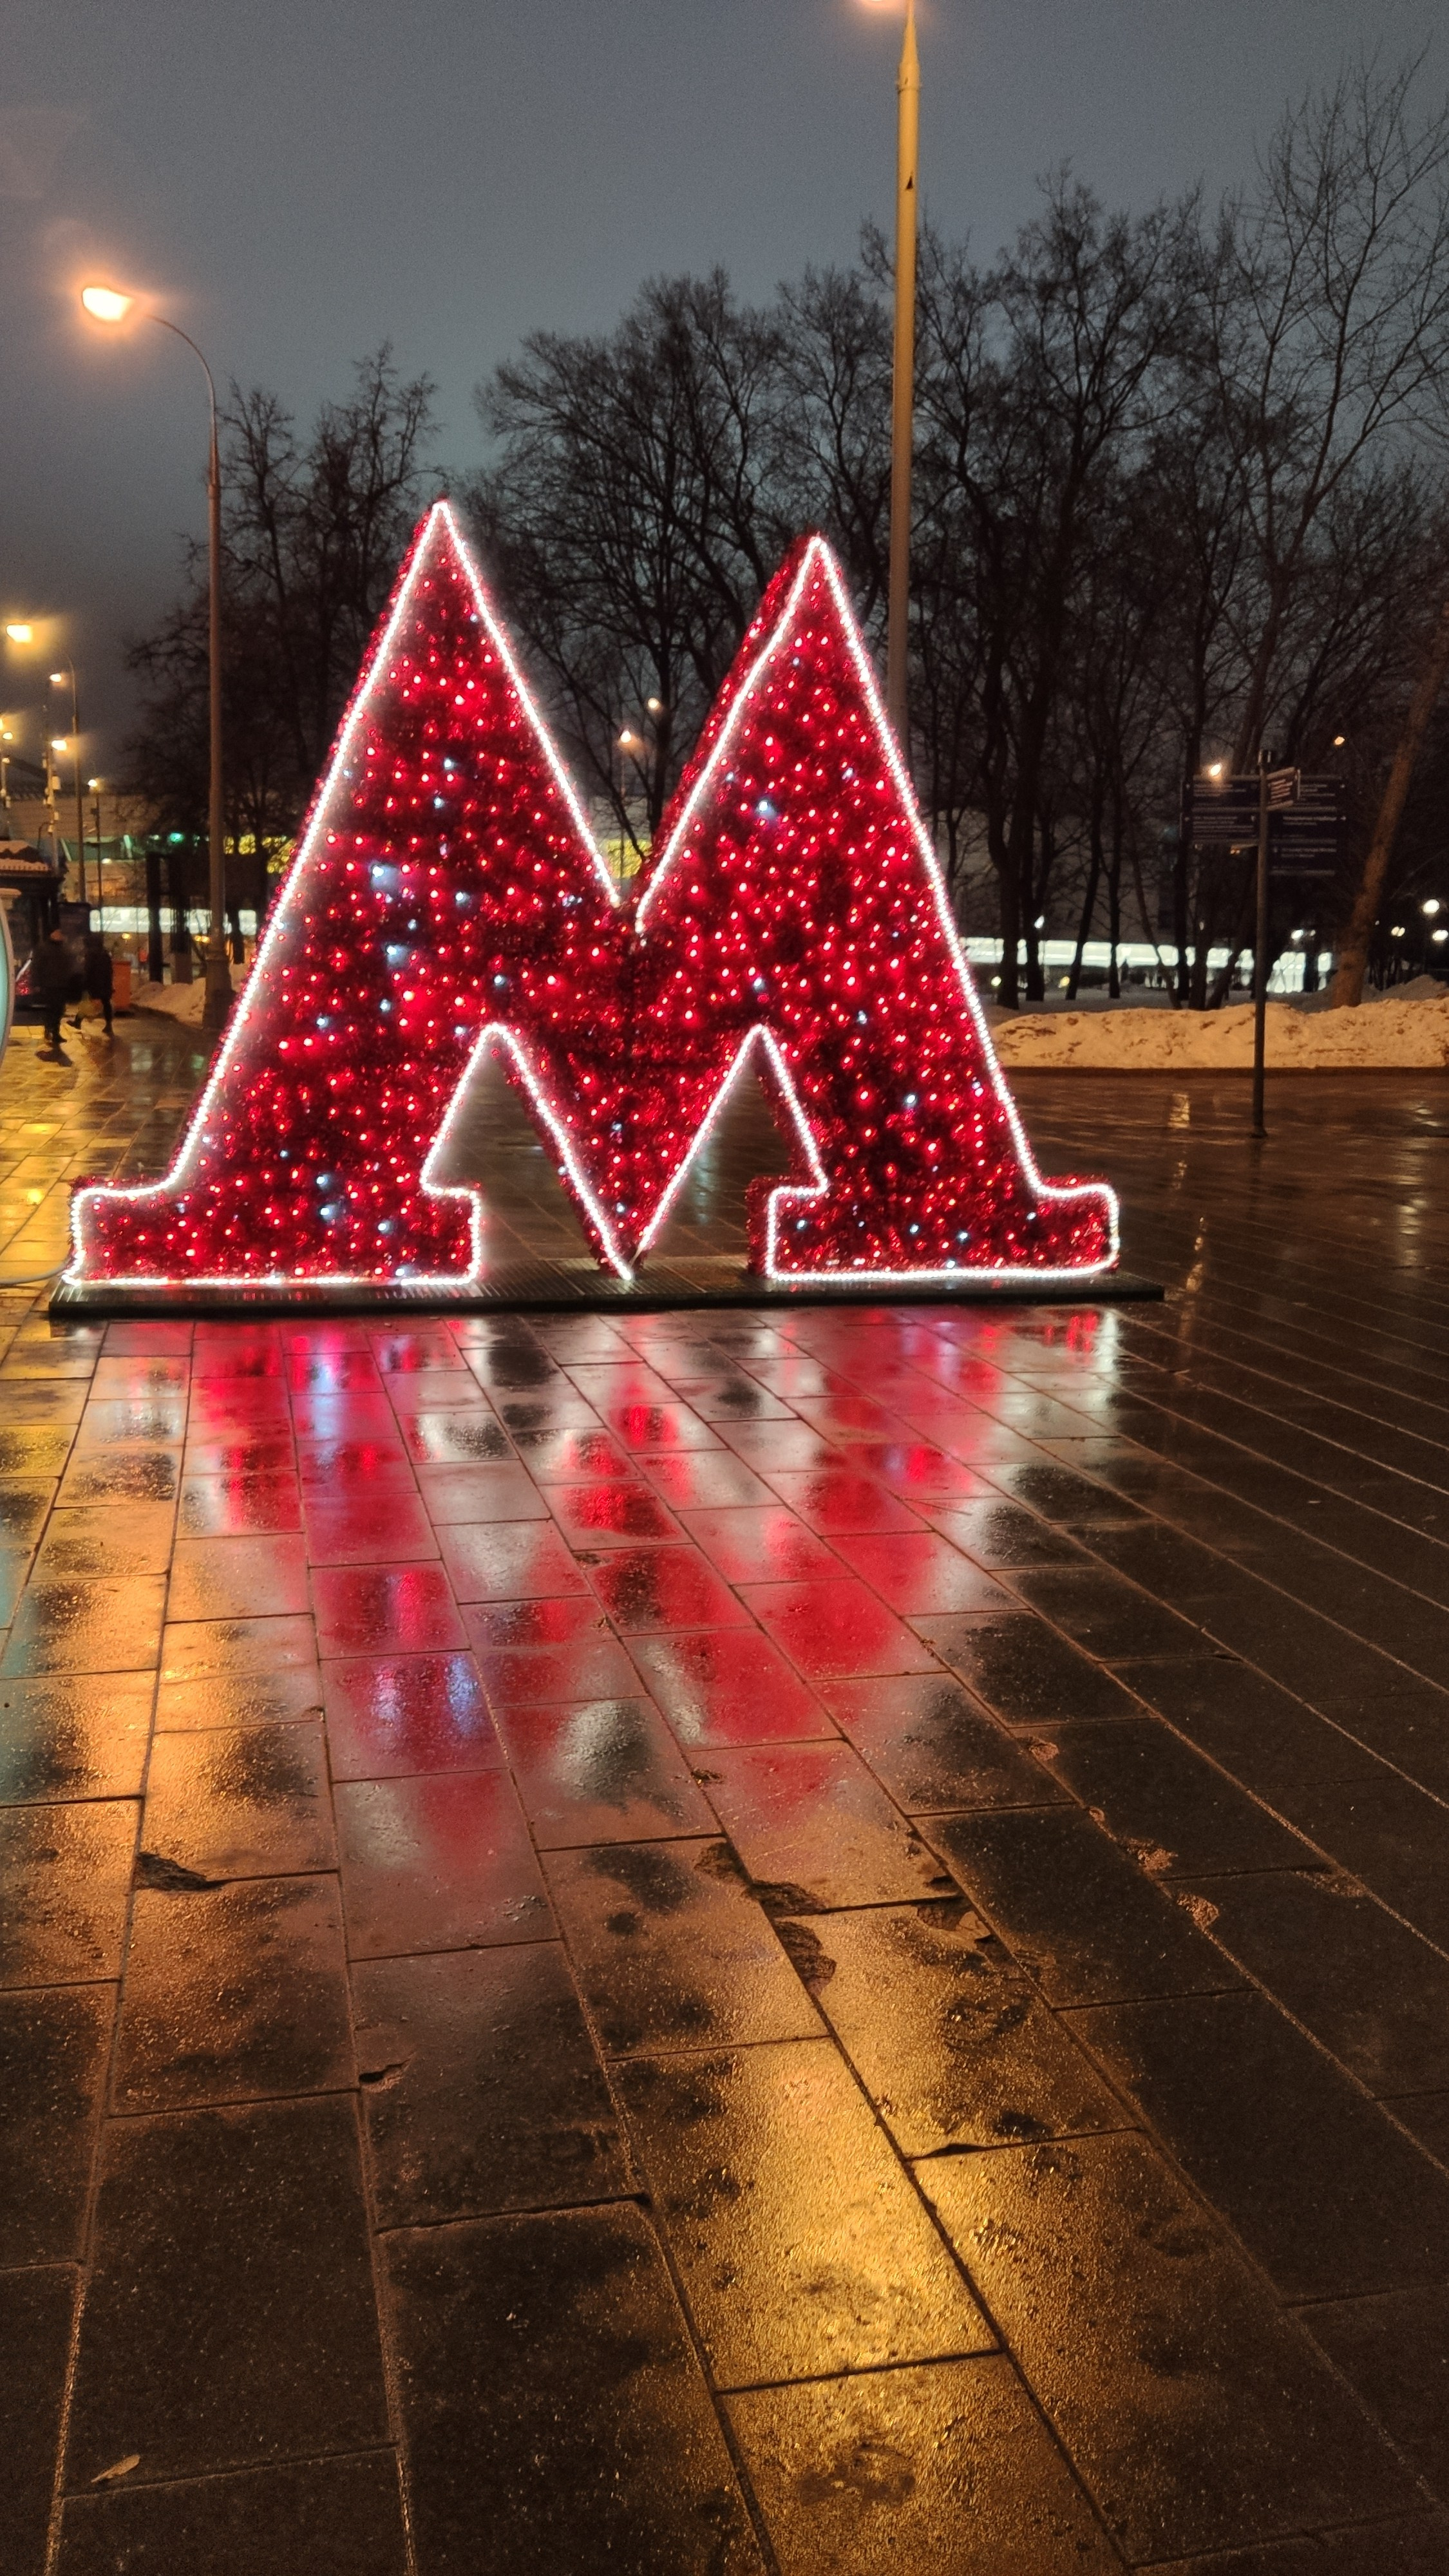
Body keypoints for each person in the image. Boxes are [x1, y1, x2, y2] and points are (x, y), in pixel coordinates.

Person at [28, 927, 73, 1060]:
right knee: (51, 1009)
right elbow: (36, 966)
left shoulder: (63, 949)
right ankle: (49, 1030)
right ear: (52, 934)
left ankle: (56, 1031)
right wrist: (36, 983)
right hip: (49, 985)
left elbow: (68, 965)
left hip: (61, 984)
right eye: (57, 932)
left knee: (59, 1010)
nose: (59, 935)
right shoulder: (44, 948)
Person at [73, 932, 115, 1037]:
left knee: (86, 1002)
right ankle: (109, 1025)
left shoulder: (91, 954)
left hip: (94, 983)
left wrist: (85, 983)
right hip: (105, 983)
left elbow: (88, 970)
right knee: (106, 1004)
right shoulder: (105, 953)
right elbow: (110, 970)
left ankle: (77, 1021)